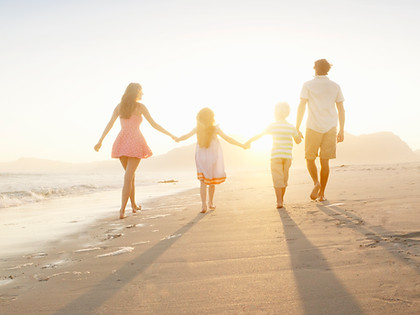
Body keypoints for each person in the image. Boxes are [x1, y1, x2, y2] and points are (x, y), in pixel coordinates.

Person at [94, 83, 176, 219]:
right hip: (135, 141)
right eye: (141, 92)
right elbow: (154, 124)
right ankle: (122, 210)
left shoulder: (119, 107)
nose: (142, 94)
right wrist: (171, 135)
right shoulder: (140, 107)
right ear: (136, 92)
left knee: (130, 176)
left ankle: (133, 205)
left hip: (121, 141)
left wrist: (100, 141)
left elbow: (110, 123)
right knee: (128, 177)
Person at [175, 107, 247, 213]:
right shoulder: (215, 128)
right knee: (211, 181)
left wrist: (178, 139)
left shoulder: (197, 129)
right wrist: (241, 145)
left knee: (203, 182)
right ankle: (211, 202)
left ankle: (203, 205)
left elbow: (186, 136)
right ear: (212, 117)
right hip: (213, 157)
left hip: (201, 157)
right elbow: (228, 139)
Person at [296, 59, 346, 201]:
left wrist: (297, 127)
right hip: (330, 127)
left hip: (312, 126)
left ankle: (316, 183)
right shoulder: (335, 86)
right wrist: (341, 130)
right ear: (328, 69)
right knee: (325, 162)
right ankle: (322, 193)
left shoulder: (307, 85)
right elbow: (341, 109)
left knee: (309, 158)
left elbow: (302, 107)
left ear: (314, 68)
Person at [245, 102, 302, 209]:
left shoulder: (272, 126)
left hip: (276, 156)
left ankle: (279, 201)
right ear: (288, 113)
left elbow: (260, 135)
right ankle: (281, 200)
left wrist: (249, 141)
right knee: (284, 180)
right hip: (287, 157)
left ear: (275, 112)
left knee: (277, 179)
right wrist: (298, 134)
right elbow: (298, 141)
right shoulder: (291, 127)